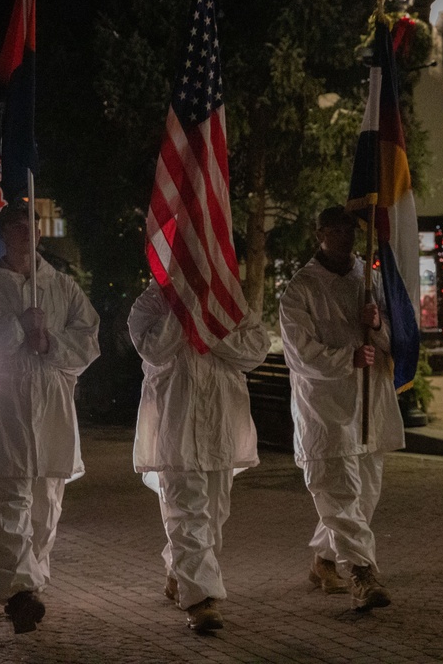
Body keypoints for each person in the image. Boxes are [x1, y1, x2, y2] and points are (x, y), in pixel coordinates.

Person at [0, 202, 100, 635]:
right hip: (2, 407)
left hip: (49, 409)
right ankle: (18, 593)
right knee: (7, 502)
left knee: (45, 507)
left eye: (30, 226)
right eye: (15, 227)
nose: (24, 233)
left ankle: (32, 583)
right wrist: (16, 327)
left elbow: (88, 340)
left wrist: (49, 341)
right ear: (4, 233)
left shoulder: (61, 286)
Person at [278, 206, 404, 612]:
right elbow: (300, 352)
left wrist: (379, 323)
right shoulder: (301, 289)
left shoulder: (370, 280)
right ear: (320, 235)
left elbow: (398, 339)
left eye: (350, 229)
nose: (345, 237)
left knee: (364, 494)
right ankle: (362, 572)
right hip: (326, 409)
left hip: (369, 404)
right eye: (335, 230)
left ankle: (325, 559)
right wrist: (347, 358)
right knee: (339, 490)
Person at [129, 280, 269, 632]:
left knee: (214, 514)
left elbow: (255, 350)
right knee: (185, 511)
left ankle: (181, 571)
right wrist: (184, 312)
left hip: (219, 424)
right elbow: (153, 350)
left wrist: (211, 326)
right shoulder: (150, 303)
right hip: (175, 422)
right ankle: (202, 600)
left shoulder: (229, 300)